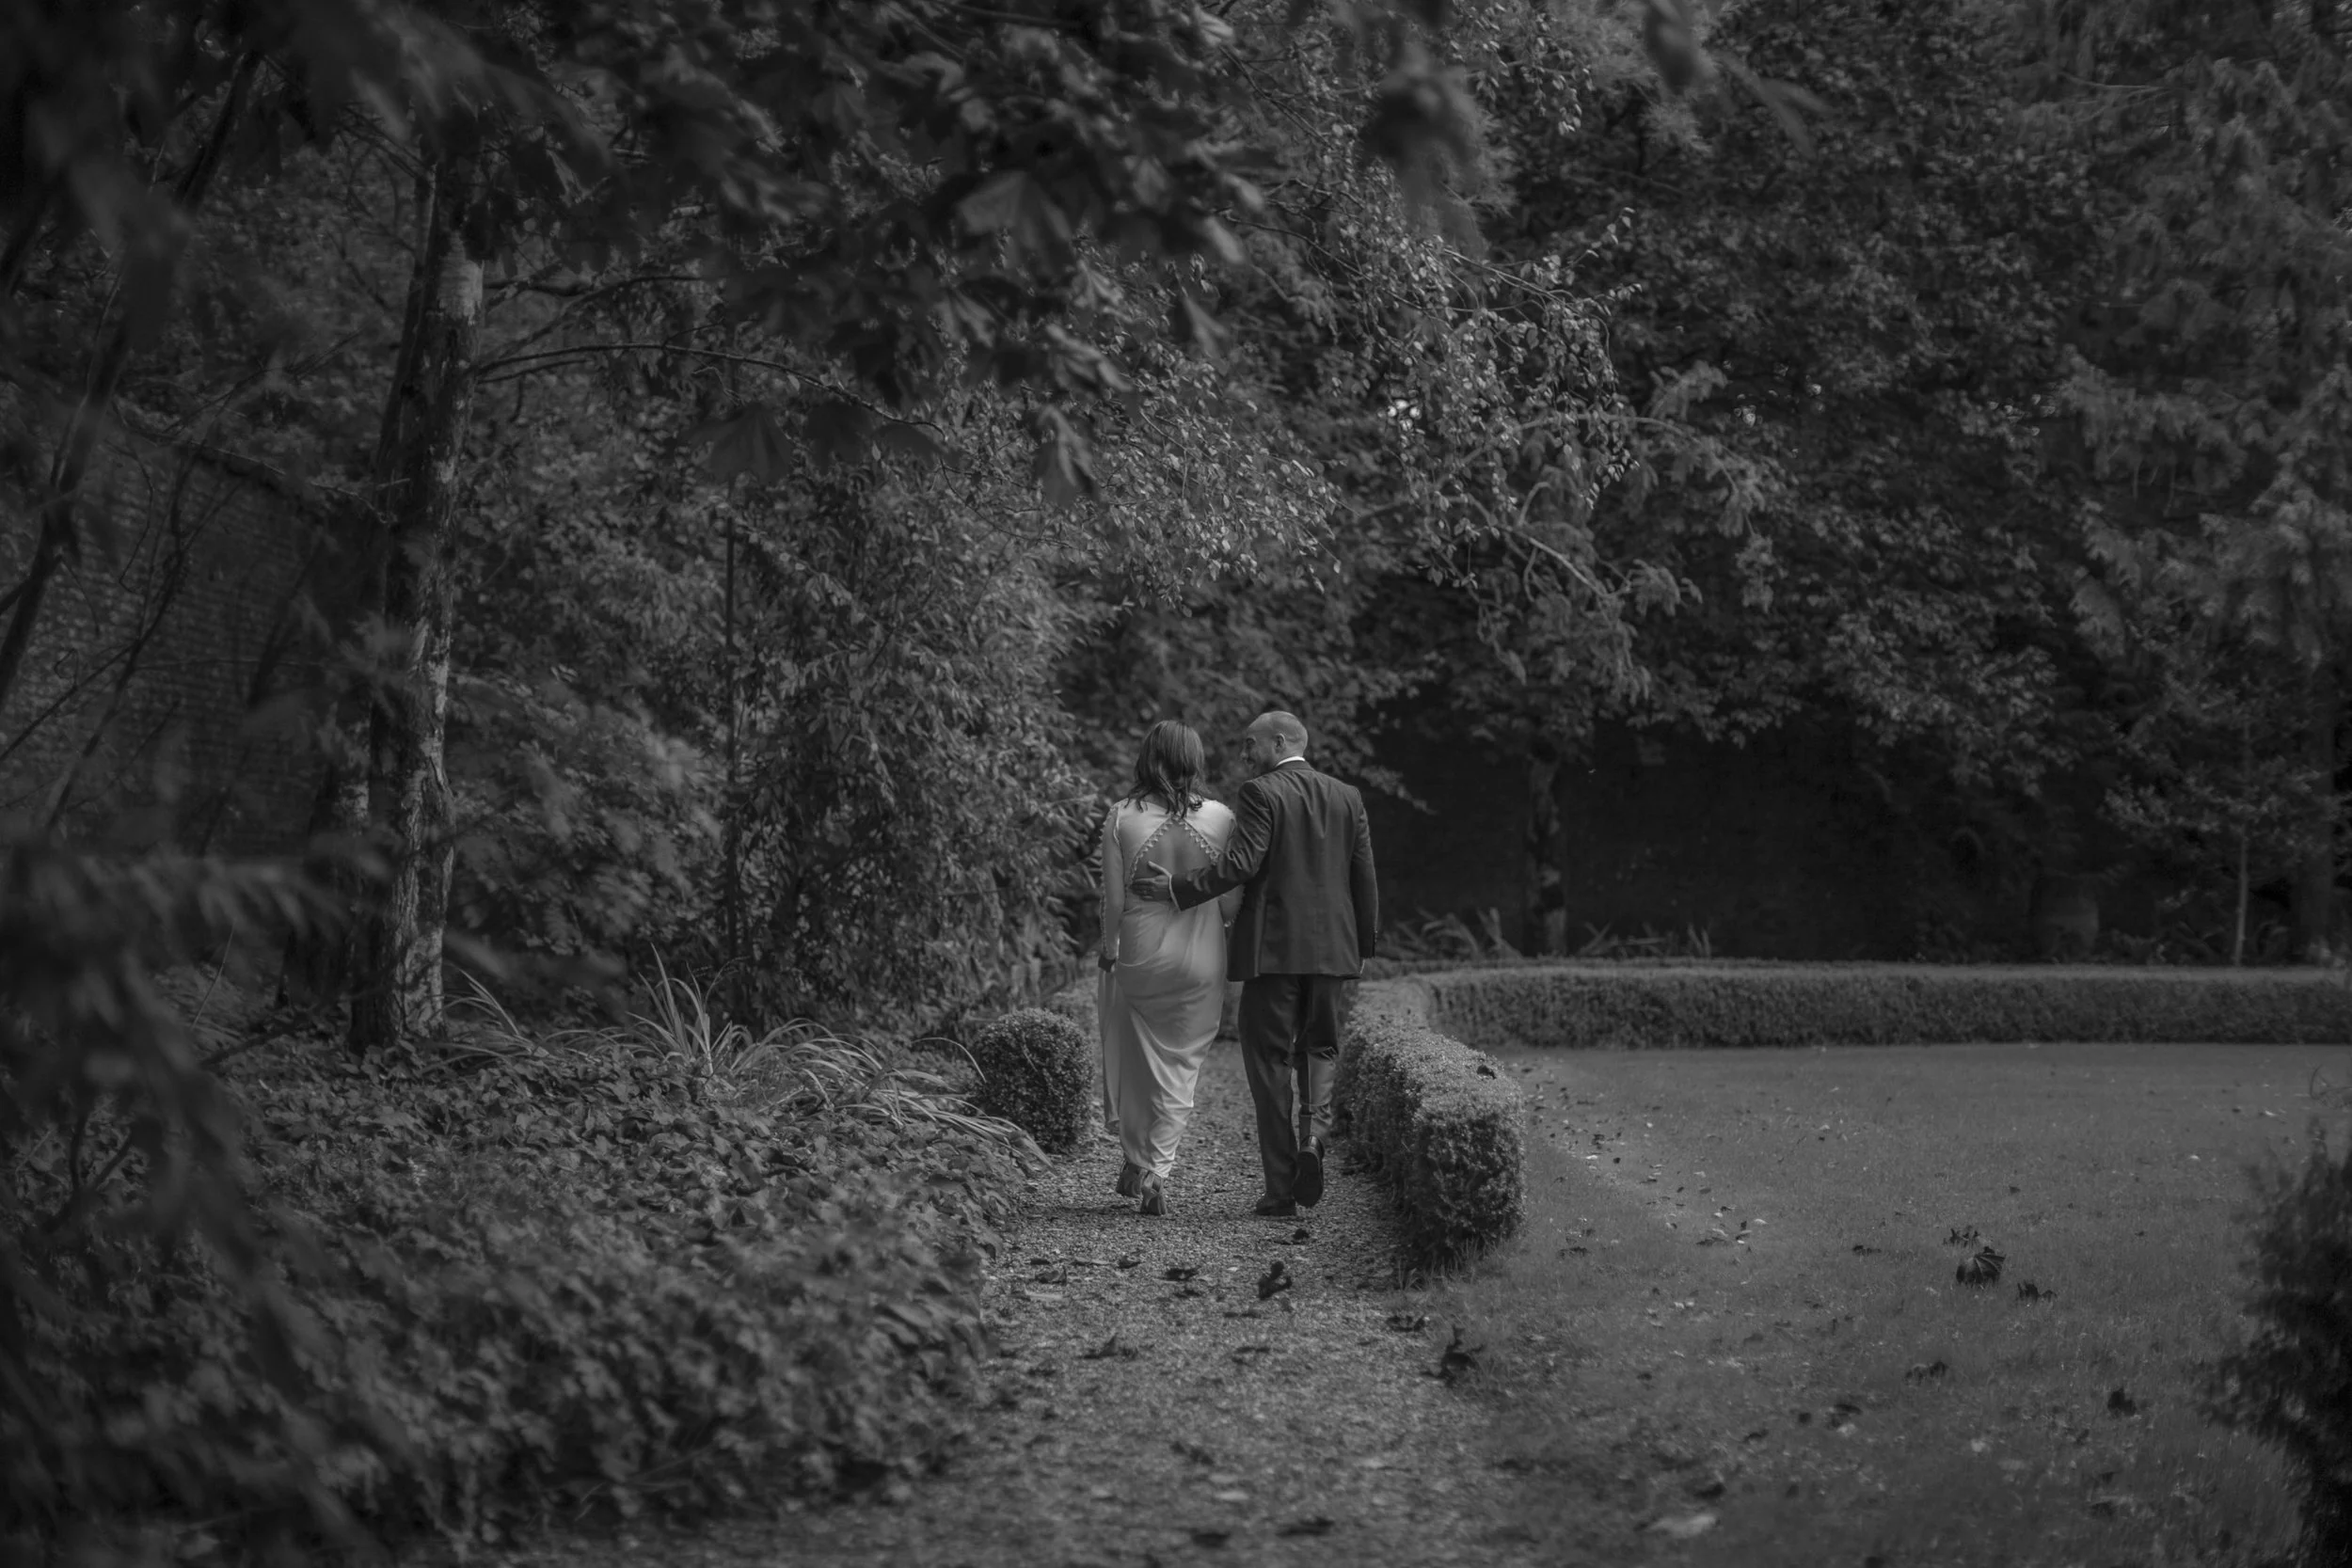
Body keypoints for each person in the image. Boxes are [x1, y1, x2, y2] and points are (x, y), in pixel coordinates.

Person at [1128, 711, 1376, 1218]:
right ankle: (1314, 1139)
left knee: (1268, 1063)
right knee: (1321, 1048)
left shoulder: (1262, 793)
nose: (1243, 756)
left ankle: (1281, 1189)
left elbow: (1240, 865)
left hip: (1273, 953)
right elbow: (1364, 876)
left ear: (1279, 741)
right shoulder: (1348, 797)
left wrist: (1176, 888)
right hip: (1333, 952)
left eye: (1250, 745)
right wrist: (1363, 948)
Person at [1096, 721, 1242, 1216]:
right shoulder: (1223, 818)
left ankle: (1136, 1161)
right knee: (1182, 1067)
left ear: (1148, 757)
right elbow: (1231, 905)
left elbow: (1113, 903)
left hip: (1140, 952)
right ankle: (1156, 1167)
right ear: (1195, 760)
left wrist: (1108, 947)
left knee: (1137, 1060)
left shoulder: (1121, 817)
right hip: (1201, 958)